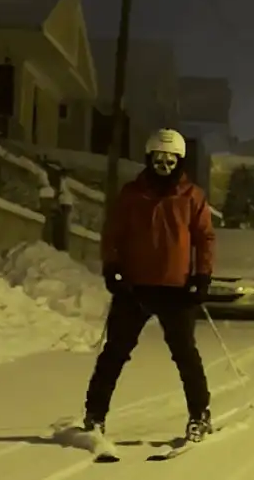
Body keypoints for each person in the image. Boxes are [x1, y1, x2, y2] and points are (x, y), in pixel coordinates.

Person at [82, 128, 217, 442]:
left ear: (179, 161)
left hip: (177, 289)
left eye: (170, 160)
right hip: (134, 288)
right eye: (159, 159)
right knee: (114, 353)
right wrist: (112, 267)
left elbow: (205, 238)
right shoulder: (132, 194)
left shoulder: (192, 197)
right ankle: (94, 416)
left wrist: (202, 276)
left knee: (185, 355)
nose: (164, 165)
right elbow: (113, 233)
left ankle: (199, 415)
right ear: (149, 159)